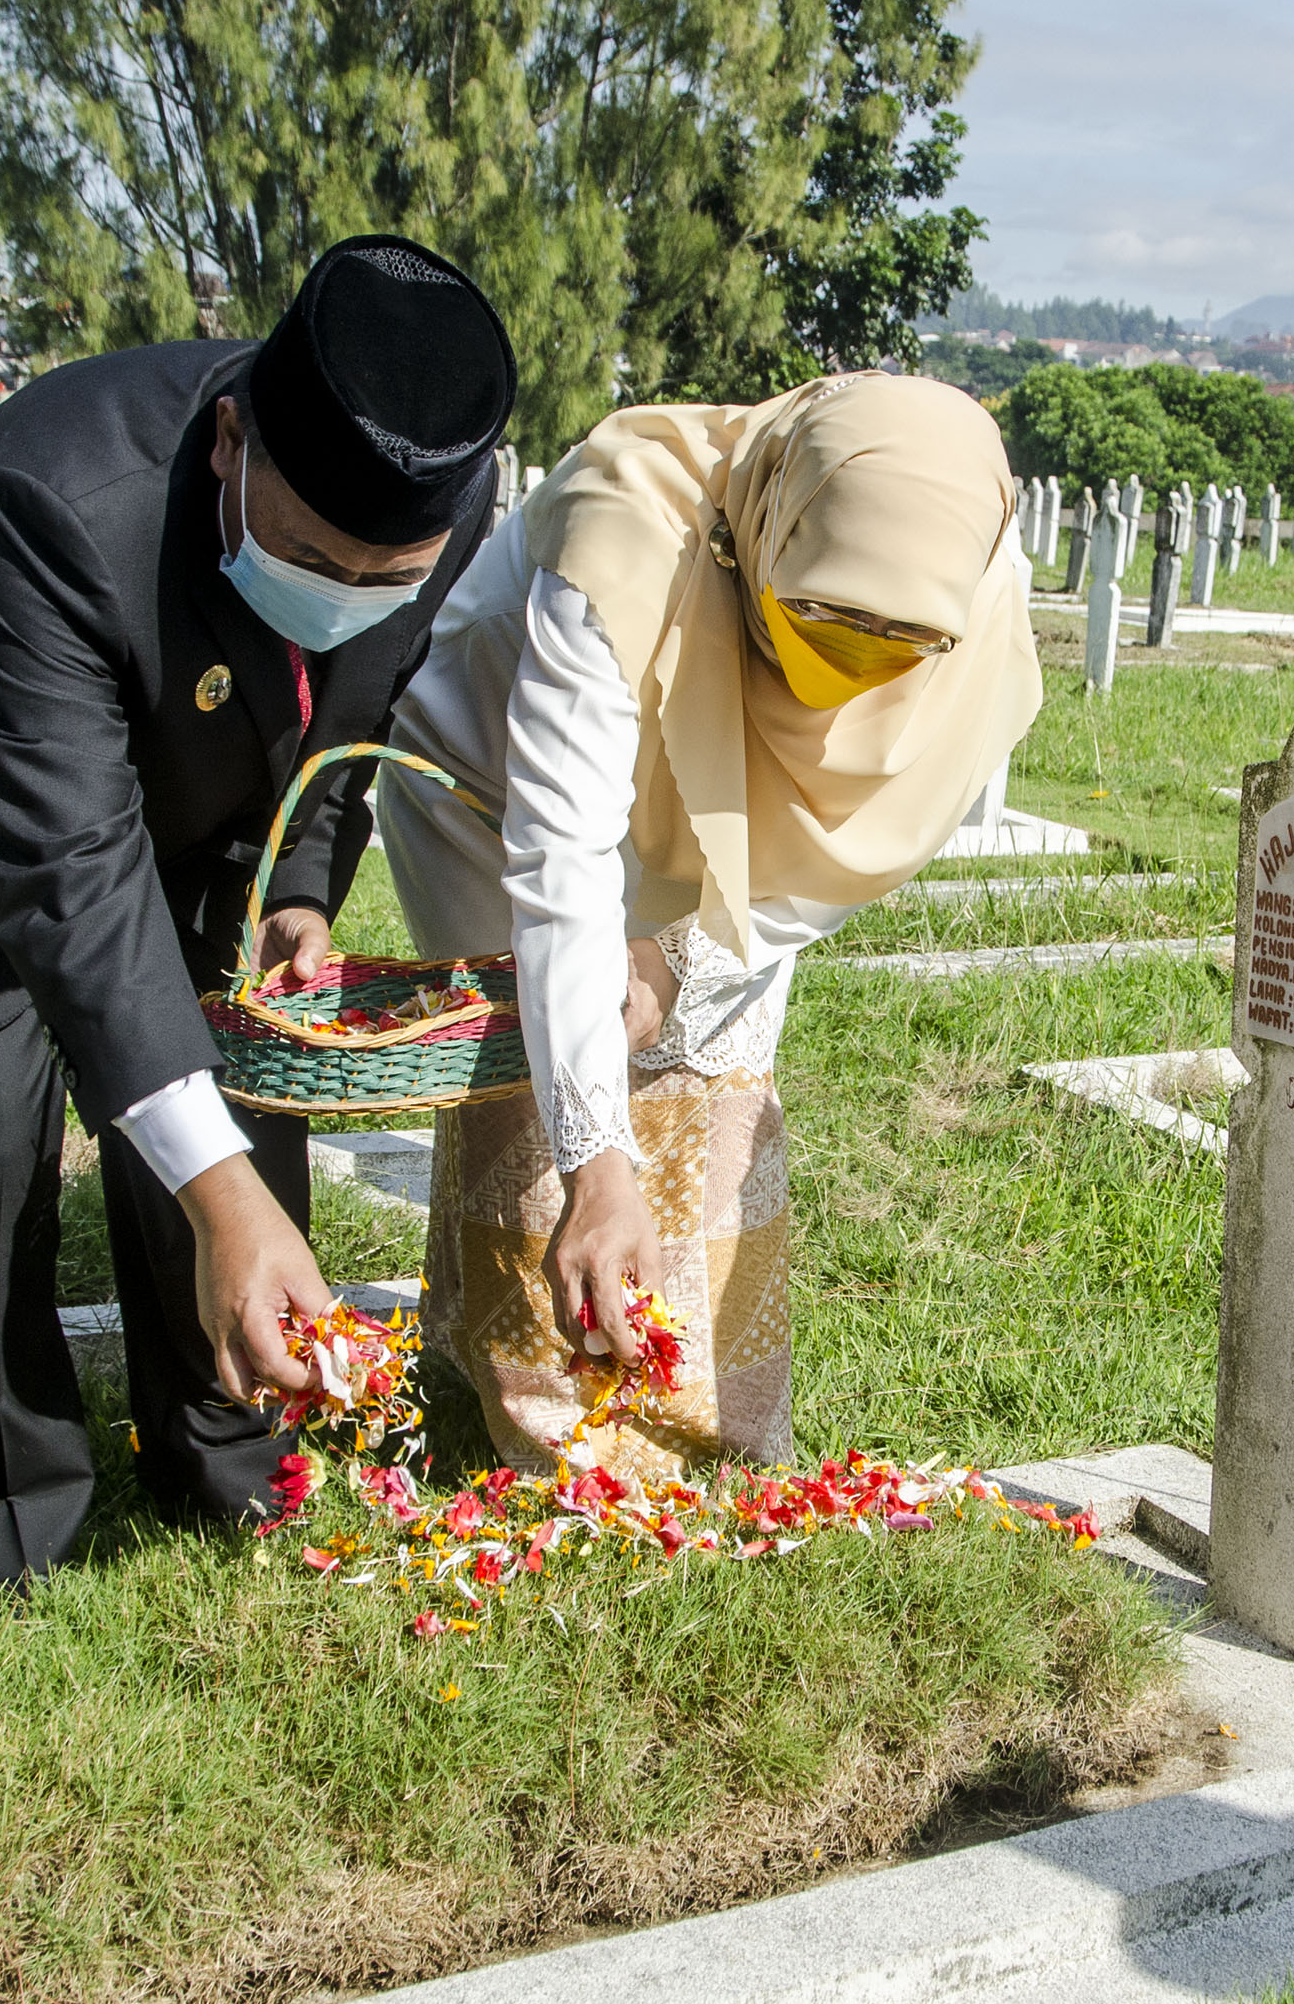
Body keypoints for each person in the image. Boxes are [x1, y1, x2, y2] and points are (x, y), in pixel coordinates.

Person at [0, 236, 516, 1598]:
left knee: (239, 1076)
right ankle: (7, 1522)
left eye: (389, 571)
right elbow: (67, 880)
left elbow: (354, 715)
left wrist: (301, 887)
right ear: (226, 445)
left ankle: (222, 1449)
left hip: (166, 802)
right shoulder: (61, 495)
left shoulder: (439, 499)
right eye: (316, 554)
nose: (352, 590)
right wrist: (219, 1194)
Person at [378, 372, 1037, 1471]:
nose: (850, 657)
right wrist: (597, 1163)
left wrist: (686, 966)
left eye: (894, 638)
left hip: (742, 828)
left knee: (713, 1087)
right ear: (767, 536)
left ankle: (713, 1419)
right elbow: (561, 856)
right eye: (821, 614)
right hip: (492, 795)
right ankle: (539, 1413)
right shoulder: (623, 531)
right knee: (538, 1104)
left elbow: (864, 831)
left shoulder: (970, 586)